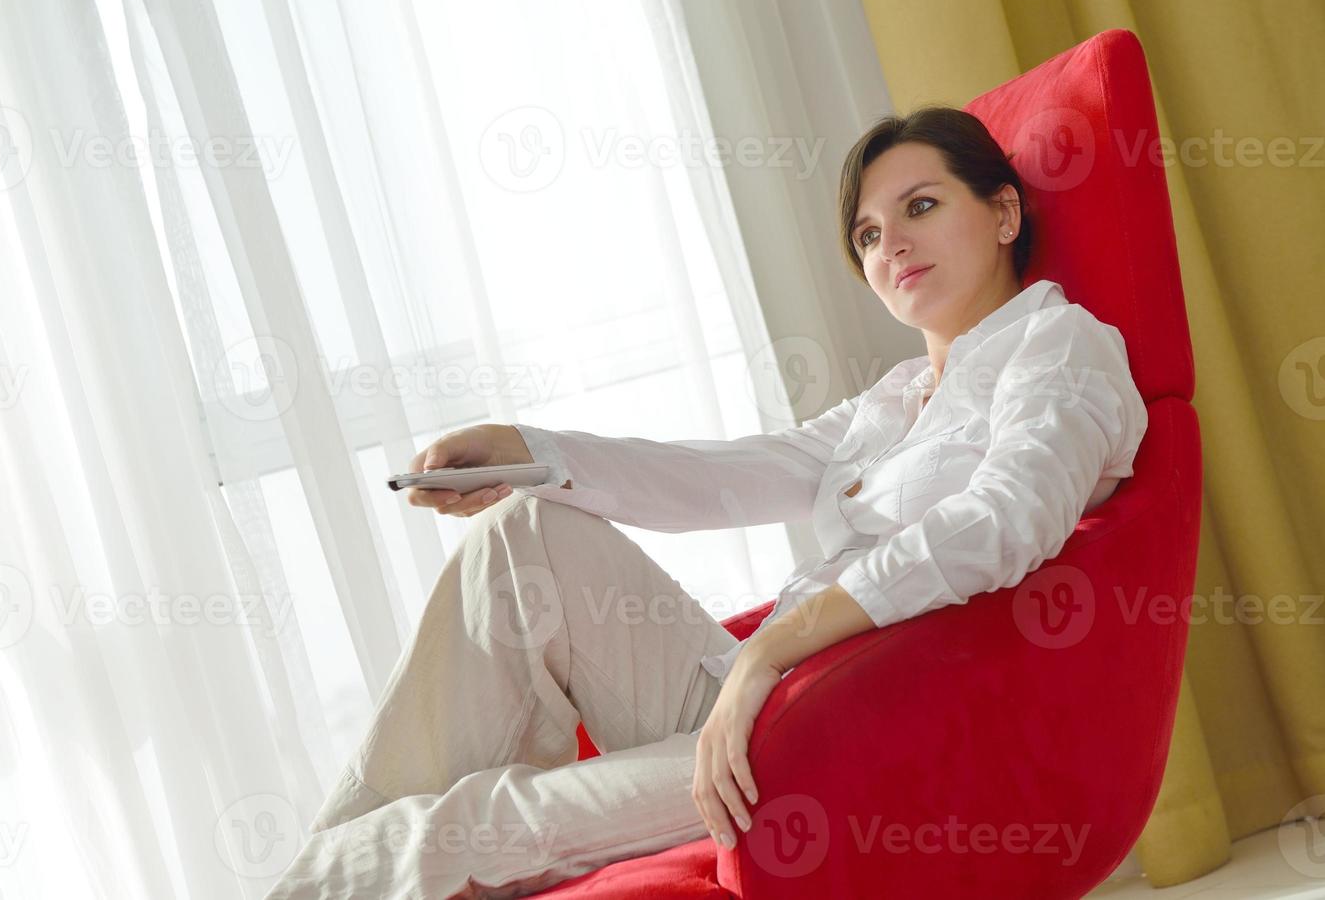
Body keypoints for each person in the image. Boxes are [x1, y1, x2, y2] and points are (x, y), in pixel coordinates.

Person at [264, 106, 1148, 899]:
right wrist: (529, 451)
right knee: (521, 526)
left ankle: (319, 877)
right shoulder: (894, 397)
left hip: (838, 732)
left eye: (919, 207)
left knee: (457, 829)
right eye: (867, 234)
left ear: (1001, 212)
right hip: (757, 698)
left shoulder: (1058, 346)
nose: (891, 247)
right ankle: (326, 869)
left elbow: (1006, 519)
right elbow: (724, 473)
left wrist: (775, 647)